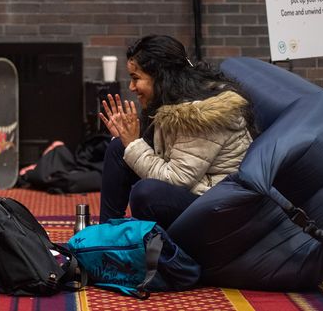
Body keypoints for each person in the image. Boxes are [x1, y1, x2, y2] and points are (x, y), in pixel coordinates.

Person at [98, 35, 255, 229]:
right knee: (117, 148)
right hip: (198, 190)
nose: (131, 87)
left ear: (160, 77)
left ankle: (149, 248)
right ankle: (105, 235)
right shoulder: (172, 98)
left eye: (135, 78)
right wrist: (124, 138)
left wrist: (132, 144)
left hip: (219, 206)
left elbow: (176, 180)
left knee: (146, 193)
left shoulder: (200, 113)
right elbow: (161, 155)